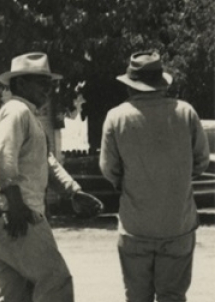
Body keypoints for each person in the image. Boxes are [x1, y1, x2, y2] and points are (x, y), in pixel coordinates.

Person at [0, 52, 99, 302]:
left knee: (17, 293)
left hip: (1, 215)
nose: (47, 89)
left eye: (49, 83)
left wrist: (72, 190)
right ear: (19, 84)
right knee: (55, 281)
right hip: (16, 214)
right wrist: (15, 205)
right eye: (39, 82)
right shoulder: (17, 111)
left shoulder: (28, 116)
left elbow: (47, 162)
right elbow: (3, 158)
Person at [100, 51, 209, 302]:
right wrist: (176, 175)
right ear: (161, 82)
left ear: (130, 86)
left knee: (138, 298)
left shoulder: (116, 117)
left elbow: (109, 168)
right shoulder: (186, 112)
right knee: (173, 296)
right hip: (177, 225)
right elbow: (201, 160)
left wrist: (129, 182)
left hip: (135, 227)